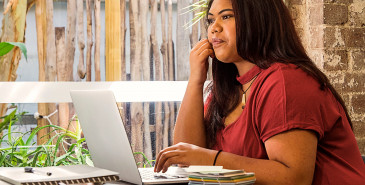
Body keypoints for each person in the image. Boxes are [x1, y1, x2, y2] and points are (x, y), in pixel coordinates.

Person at [154, 0, 365, 184]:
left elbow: (293, 178)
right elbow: (186, 157)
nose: (213, 29)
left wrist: (210, 159)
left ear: (258, 20)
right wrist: (195, 80)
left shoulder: (285, 81)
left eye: (226, 17)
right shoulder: (228, 89)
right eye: (210, 20)